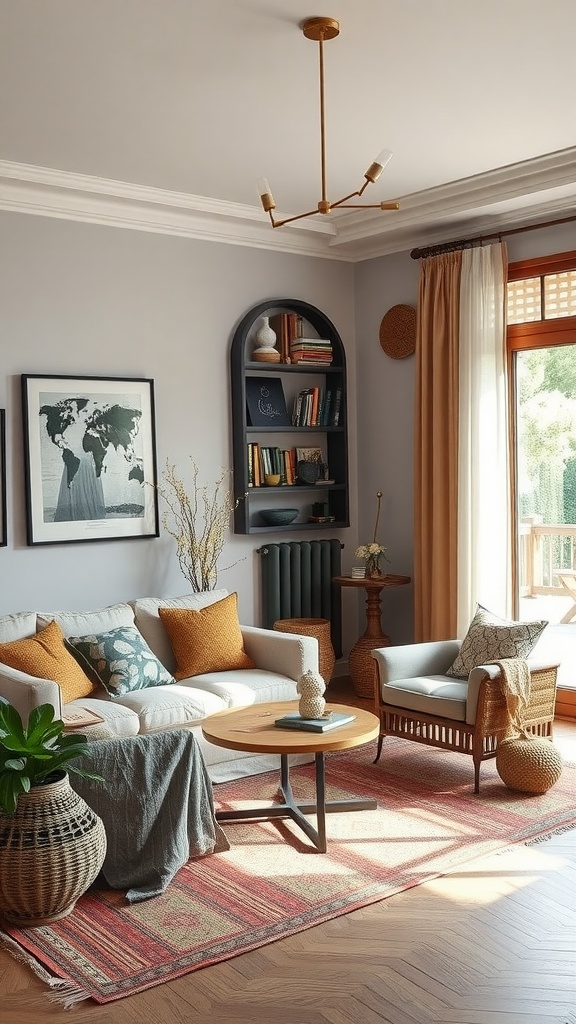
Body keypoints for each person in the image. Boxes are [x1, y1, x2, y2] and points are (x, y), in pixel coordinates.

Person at [52, 399, 107, 522]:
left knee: (86, 489)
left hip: (86, 462)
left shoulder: (91, 427)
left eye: (87, 411)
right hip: (74, 463)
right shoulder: (67, 426)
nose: (87, 413)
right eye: (84, 411)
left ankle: (88, 515)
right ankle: (75, 516)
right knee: (74, 488)